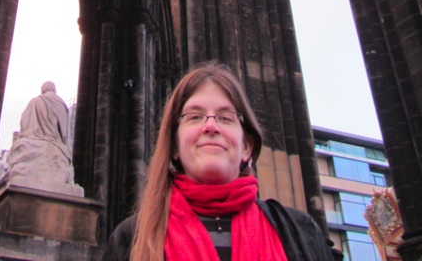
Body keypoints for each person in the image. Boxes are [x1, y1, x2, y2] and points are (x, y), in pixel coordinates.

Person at [103, 62, 334, 261]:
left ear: (246, 147)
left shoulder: (300, 234)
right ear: (174, 146)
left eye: (225, 117)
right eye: (195, 117)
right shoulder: (130, 239)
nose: (211, 126)